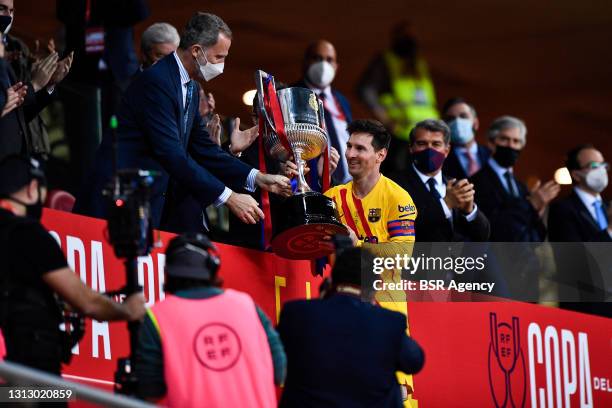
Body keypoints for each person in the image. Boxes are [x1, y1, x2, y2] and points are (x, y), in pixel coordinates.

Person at [74, 12, 291, 233]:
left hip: (142, 208)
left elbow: (204, 149)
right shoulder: (157, 82)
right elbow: (172, 154)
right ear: (196, 51)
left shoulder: (191, 88)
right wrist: (228, 196)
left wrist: (258, 177)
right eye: (219, 57)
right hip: (111, 204)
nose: (222, 66)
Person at [0, 155, 146, 376]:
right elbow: (87, 303)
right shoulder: (29, 235)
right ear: (32, 189)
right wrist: (127, 310)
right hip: (29, 375)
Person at [135, 232, 285, 406]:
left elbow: (149, 390)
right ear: (213, 268)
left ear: (168, 273)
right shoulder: (247, 306)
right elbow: (279, 371)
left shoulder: (157, 317)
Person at [278, 246, 424, 407]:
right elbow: (414, 361)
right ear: (375, 285)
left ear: (331, 280)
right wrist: (375, 307)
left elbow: (273, 361)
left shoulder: (296, 313)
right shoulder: (389, 322)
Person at [357, 21, 439, 173]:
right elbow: (366, 91)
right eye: (407, 36)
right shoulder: (386, 62)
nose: (411, 41)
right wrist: (385, 118)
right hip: (401, 136)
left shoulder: (419, 64)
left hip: (428, 134)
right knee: (401, 179)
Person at [390, 119, 490, 242]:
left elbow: (482, 236)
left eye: (436, 144)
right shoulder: (393, 184)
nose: (429, 149)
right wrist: (446, 204)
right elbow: (404, 229)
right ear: (411, 148)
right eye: (422, 143)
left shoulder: (455, 185)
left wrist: (469, 211)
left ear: (446, 150)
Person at [324, 119, 417, 245]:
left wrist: (356, 243)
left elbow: (401, 257)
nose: (350, 154)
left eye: (360, 148)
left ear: (380, 155)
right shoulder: (332, 196)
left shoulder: (398, 198)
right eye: (349, 146)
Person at [0, 0, 73, 161]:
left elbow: (21, 112)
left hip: (21, 153)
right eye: (2, 9)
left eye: (11, 11)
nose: (8, 16)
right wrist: (35, 84)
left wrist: (49, 84)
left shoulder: (17, 47)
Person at [471, 115, 559, 242]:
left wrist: (538, 211)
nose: (510, 145)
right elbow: (493, 229)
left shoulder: (521, 187)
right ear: (491, 142)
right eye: (504, 139)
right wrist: (531, 205)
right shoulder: (476, 183)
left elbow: (536, 239)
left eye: (516, 141)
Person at [548, 145, 611, 317]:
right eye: (593, 166)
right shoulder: (562, 210)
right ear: (576, 174)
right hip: (586, 308)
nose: (601, 171)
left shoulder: (608, 208)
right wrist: (609, 230)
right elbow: (575, 260)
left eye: (603, 165)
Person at [293, 39, 352, 184]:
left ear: (336, 67)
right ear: (305, 62)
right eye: (317, 58)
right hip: (312, 183)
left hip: (350, 186)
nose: (323, 64)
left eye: (329, 59)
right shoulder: (292, 95)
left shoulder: (342, 101)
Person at [441, 97, 491, 179]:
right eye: (450, 119)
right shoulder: (440, 160)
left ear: (475, 124)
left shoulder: (491, 156)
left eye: (463, 116)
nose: (457, 122)